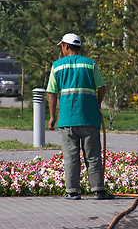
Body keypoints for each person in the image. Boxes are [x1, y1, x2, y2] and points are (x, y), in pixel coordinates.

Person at [47, 33, 115, 200]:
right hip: (89, 119)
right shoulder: (91, 64)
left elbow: (52, 94)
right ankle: (98, 190)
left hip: (67, 120)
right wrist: (97, 105)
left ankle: (72, 191)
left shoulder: (57, 66)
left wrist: (52, 117)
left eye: (62, 46)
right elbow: (102, 88)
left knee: (71, 157)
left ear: (67, 46)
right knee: (92, 155)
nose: (61, 49)